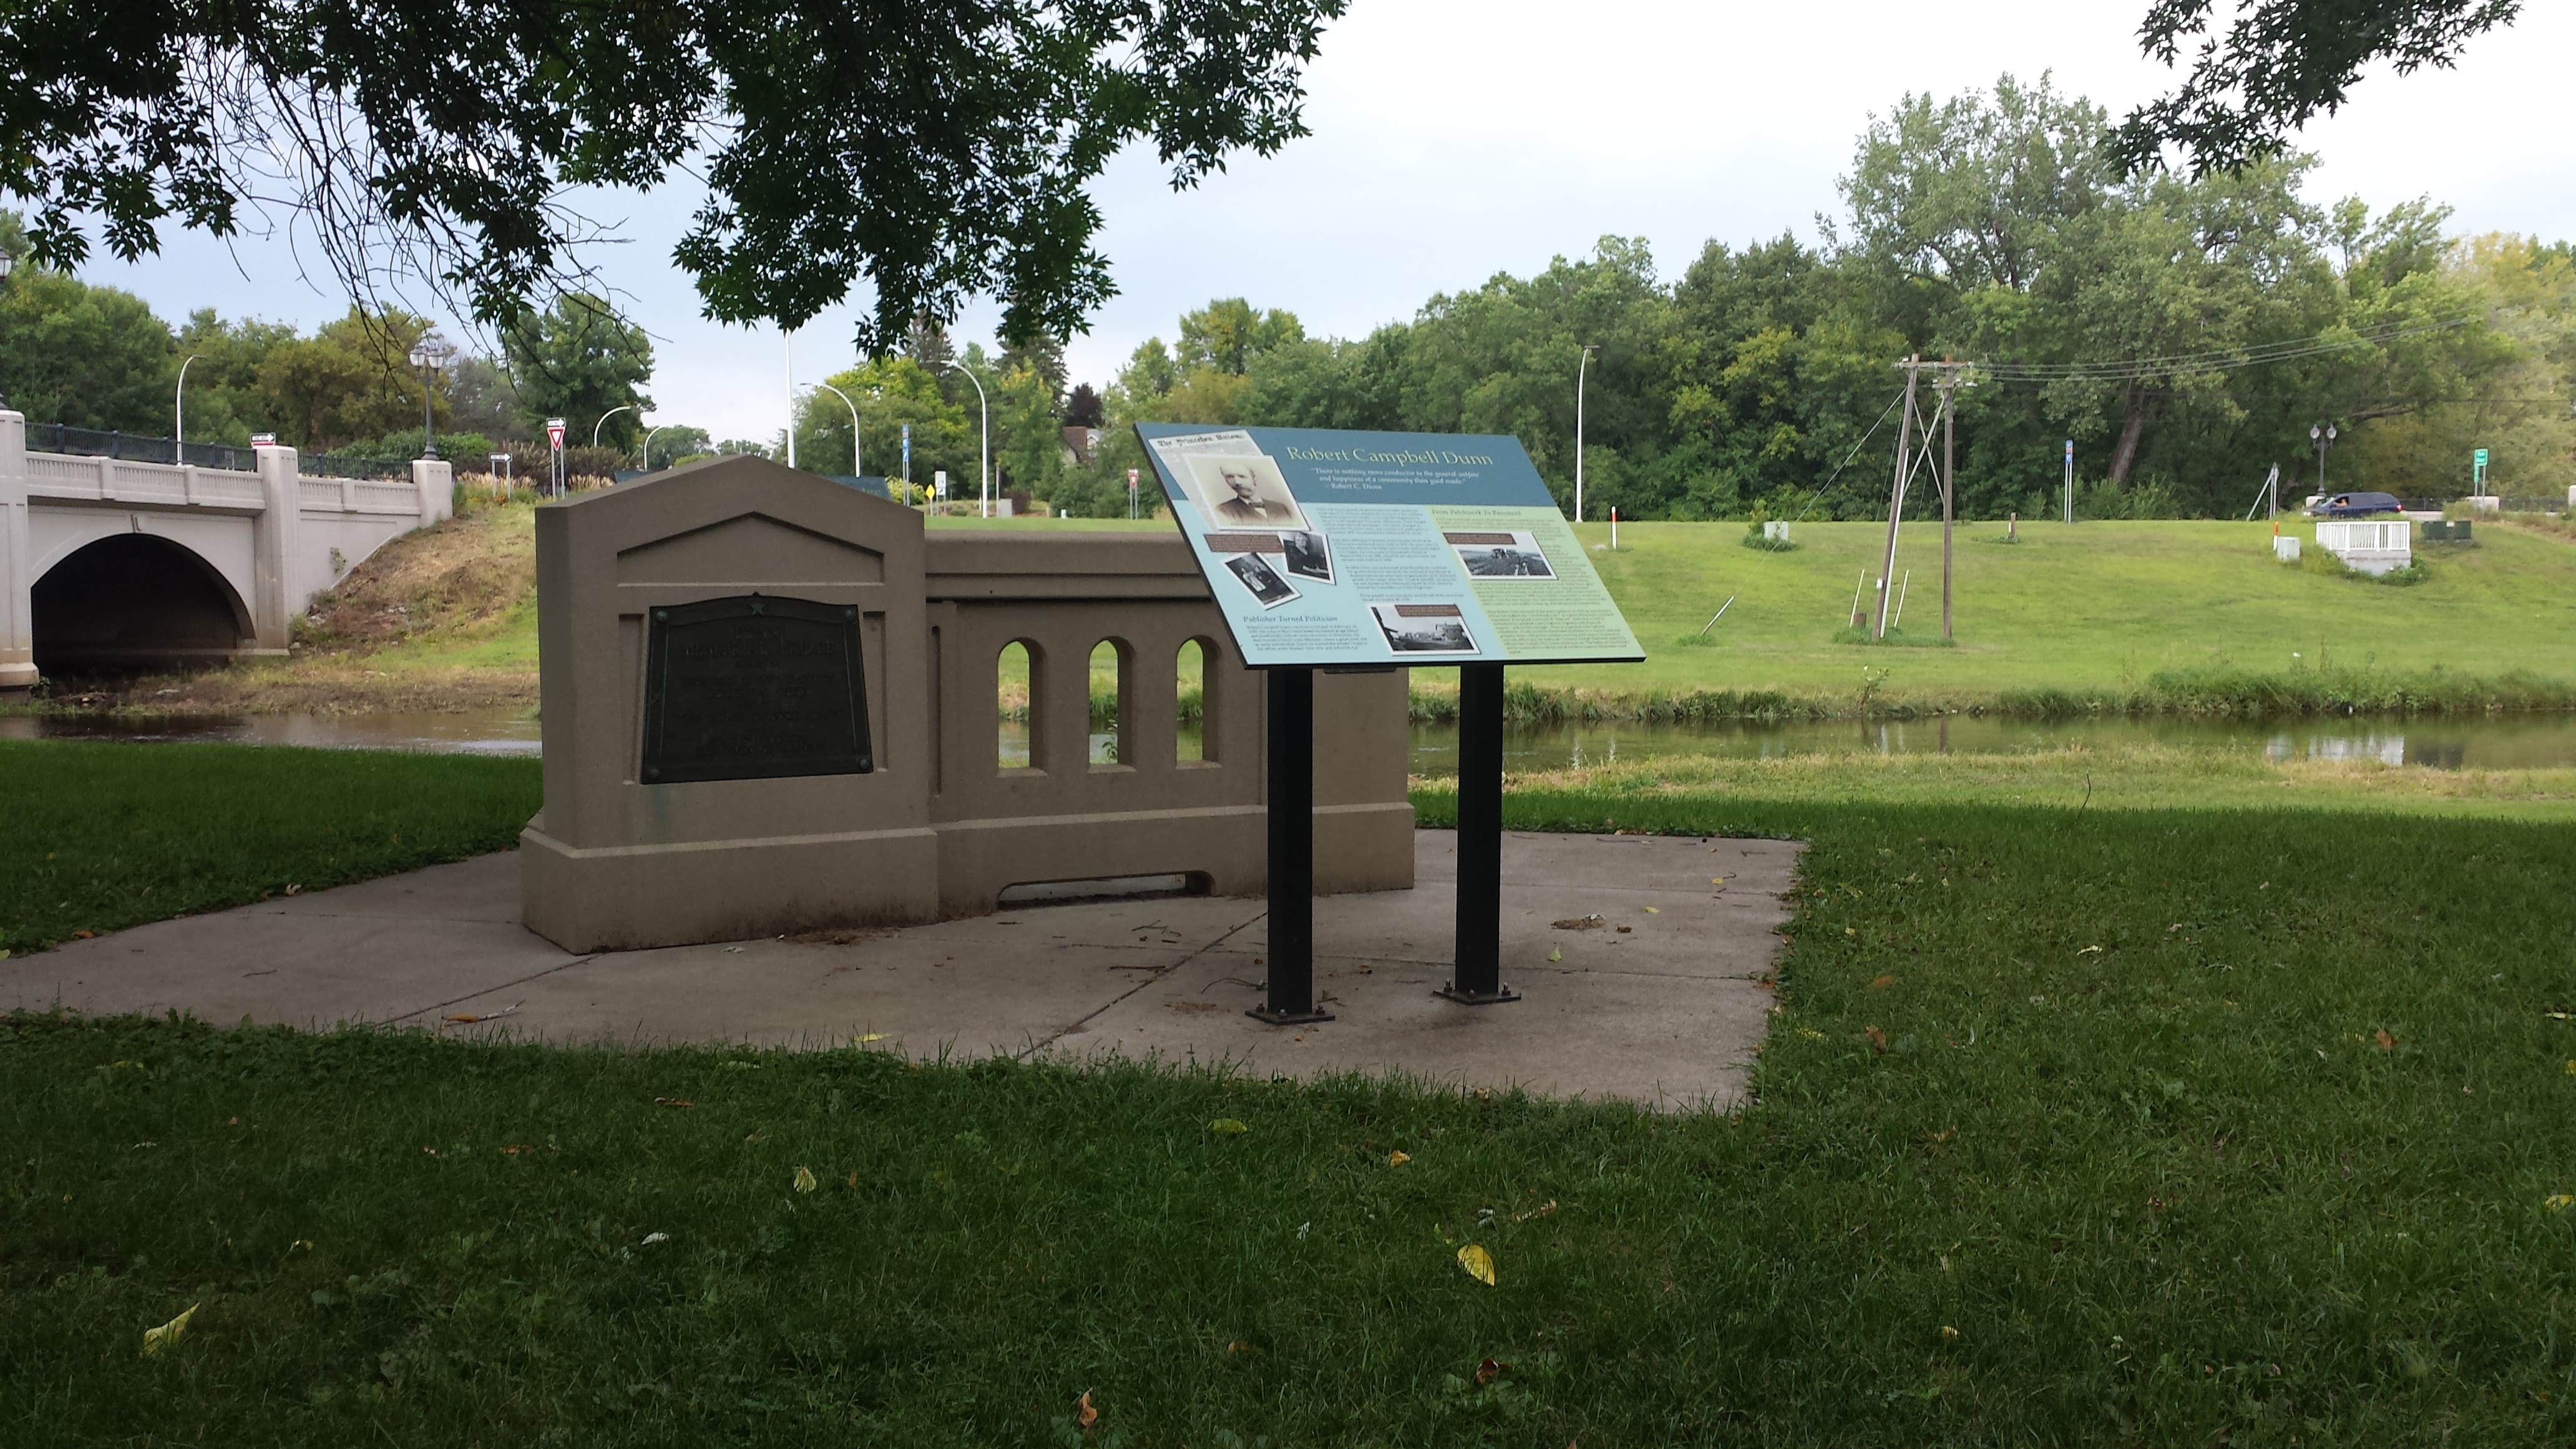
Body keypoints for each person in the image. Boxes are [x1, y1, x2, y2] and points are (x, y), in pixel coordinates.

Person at [1210, 462, 1294, 524]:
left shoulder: (1282, 508)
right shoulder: (1222, 511)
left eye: (1242, 476)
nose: (1237, 482)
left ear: (1255, 479)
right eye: (1230, 477)